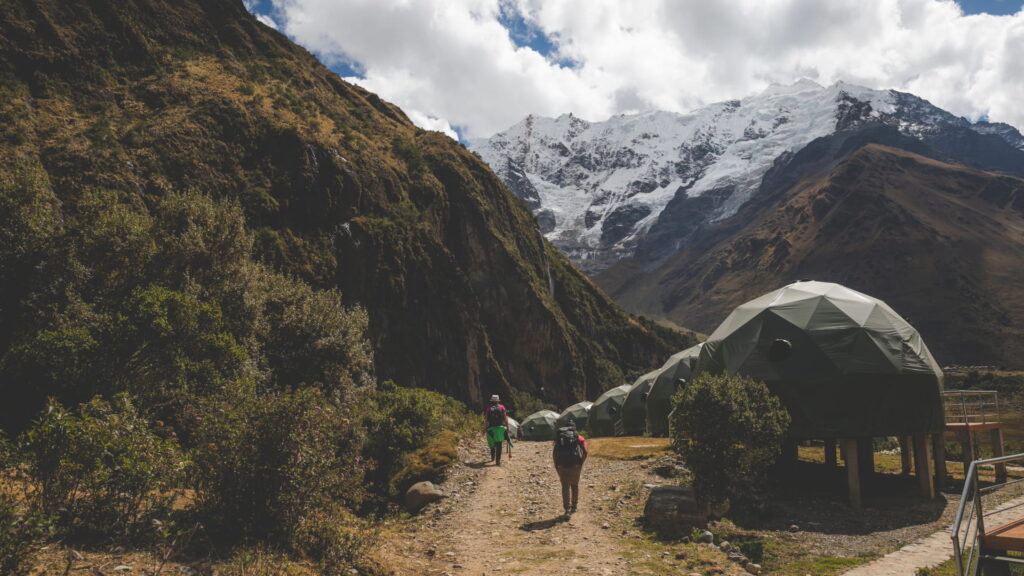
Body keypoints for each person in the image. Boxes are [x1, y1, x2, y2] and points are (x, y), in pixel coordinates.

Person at [553, 419, 587, 515]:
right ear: (574, 428)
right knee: (575, 486)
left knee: (565, 487)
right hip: (575, 464)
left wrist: (556, 465)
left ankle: (567, 509)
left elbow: (554, 453)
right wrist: (581, 462)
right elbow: (585, 452)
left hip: (562, 465)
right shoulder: (579, 437)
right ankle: (574, 506)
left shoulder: (560, 437)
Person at [484, 394, 509, 465]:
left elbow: (486, 420)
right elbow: (505, 418)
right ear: (498, 401)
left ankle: (492, 457)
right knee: (499, 444)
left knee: (492, 443)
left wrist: (485, 428)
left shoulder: (489, 408)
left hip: (491, 428)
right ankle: (498, 460)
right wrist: (507, 427)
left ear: (492, 401)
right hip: (500, 428)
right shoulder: (502, 407)